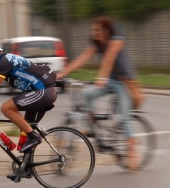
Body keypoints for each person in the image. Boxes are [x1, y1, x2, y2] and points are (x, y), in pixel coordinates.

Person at [56, 16, 139, 170]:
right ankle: (92, 123)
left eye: (97, 30)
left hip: (124, 82)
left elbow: (109, 59)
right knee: (87, 94)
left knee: (124, 118)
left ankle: (133, 152)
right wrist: (61, 74)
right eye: (94, 30)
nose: (94, 32)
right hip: (109, 80)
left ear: (107, 31)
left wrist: (101, 78)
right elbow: (81, 59)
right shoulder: (97, 44)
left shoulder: (116, 41)